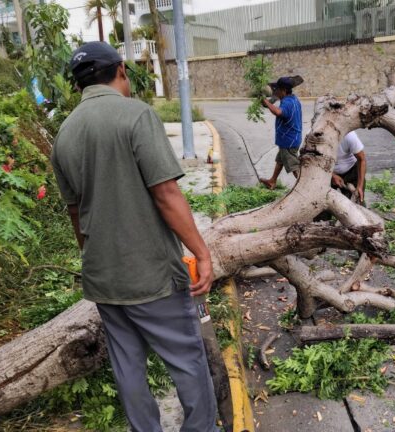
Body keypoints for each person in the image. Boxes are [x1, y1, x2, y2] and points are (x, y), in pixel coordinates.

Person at [51, 42, 217, 432]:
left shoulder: (64, 133)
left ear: (78, 84)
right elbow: (166, 193)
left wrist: (96, 258)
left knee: (127, 366)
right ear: (121, 70)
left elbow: (76, 214)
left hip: (103, 277)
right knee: (187, 361)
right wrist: (201, 253)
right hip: (152, 274)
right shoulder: (136, 116)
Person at [258, 76, 302, 189]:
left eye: (277, 90)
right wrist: (269, 101)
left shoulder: (287, 103)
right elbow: (277, 103)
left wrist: (266, 102)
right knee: (280, 161)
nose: (275, 92)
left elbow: (278, 112)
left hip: (289, 141)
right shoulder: (293, 99)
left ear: (283, 90)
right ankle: (272, 181)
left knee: (293, 166)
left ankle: (304, 187)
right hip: (290, 138)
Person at [332, 131, 367, 205]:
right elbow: (311, 162)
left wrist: (360, 186)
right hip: (326, 171)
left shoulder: (349, 136)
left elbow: (361, 159)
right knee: (321, 208)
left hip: (351, 169)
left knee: (357, 203)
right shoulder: (314, 136)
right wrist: (332, 175)